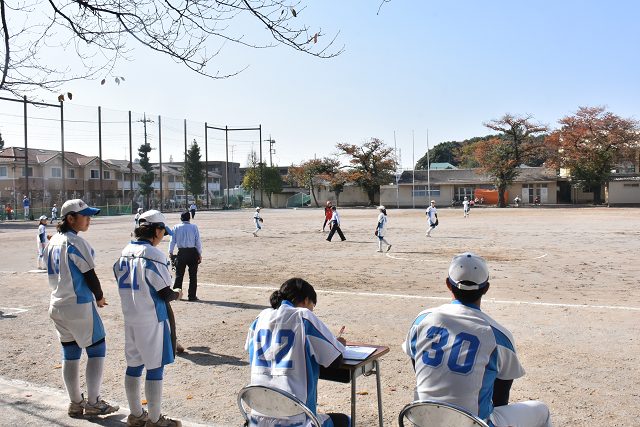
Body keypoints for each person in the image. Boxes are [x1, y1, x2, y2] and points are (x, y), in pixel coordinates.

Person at [402, 252, 553, 427]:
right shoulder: (498, 336)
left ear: (448, 285)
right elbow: (501, 397)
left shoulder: (422, 320)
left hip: (423, 421)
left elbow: (418, 366)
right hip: (473, 423)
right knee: (542, 410)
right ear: (486, 288)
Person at [45, 199, 119, 418]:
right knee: (97, 348)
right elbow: (89, 274)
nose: (89, 219)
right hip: (79, 305)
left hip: (57, 303)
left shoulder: (52, 241)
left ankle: (76, 403)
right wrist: (99, 297)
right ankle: (94, 402)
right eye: (84, 215)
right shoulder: (75, 242)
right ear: (70, 218)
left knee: (70, 352)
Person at [245, 278, 350, 427]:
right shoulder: (304, 316)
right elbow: (336, 360)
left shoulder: (259, 318)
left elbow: (251, 354)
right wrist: (339, 343)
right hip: (298, 420)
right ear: (306, 300)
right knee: (346, 420)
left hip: (258, 419)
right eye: (313, 304)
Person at [114, 210, 183, 427]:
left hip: (131, 318)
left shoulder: (125, 251)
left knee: (133, 365)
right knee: (155, 368)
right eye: (163, 231)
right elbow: (165, 293)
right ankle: (155, 420)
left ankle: (136, 415)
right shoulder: (153, 255)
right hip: (152, 319)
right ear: (156, 229)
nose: (163, 236)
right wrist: (178, 294)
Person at [169, 211, 202, 301]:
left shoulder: (176, 227)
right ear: (189, 218)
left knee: (179, 274)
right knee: (193, 275)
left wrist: (170, 252)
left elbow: (172, 240)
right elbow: (197, 241)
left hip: (181, 252)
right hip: (192, 252)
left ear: (181, 219)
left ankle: (176, 295)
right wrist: (199, 253)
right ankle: (192, 296)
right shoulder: (194, 227)